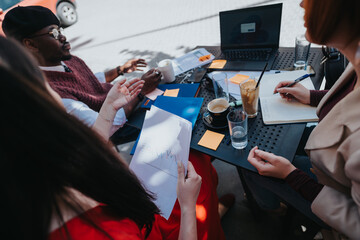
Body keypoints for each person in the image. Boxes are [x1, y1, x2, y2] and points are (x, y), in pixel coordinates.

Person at [0, 35, 229, 239]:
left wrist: (108, 109)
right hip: (151, 224)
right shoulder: (102, 232)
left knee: (194, 156)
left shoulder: (34, 170)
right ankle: (206, 218)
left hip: (139, 214)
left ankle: (210, 215)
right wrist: (188, 207)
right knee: (197, 178)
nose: (51, 89)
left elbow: (85, 159)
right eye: (40, 81)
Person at [246, 0, 360, 238]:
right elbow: (351, 97)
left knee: (249, 166)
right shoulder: (356, 55)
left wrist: (292, 176)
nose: (301, 3)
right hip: (326, 161)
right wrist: (311, 95)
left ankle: (273, 209)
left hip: (327, 193)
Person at [2, 5, 161, 143]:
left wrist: (120, 70)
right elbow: (103, 129)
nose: (63, 37)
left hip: (124, 102)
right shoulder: (56, 95)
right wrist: (140, 92)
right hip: (119, 124)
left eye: (60, 30)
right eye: (54, 33)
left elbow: (88, 79)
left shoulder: (64, 59)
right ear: (30, 44)